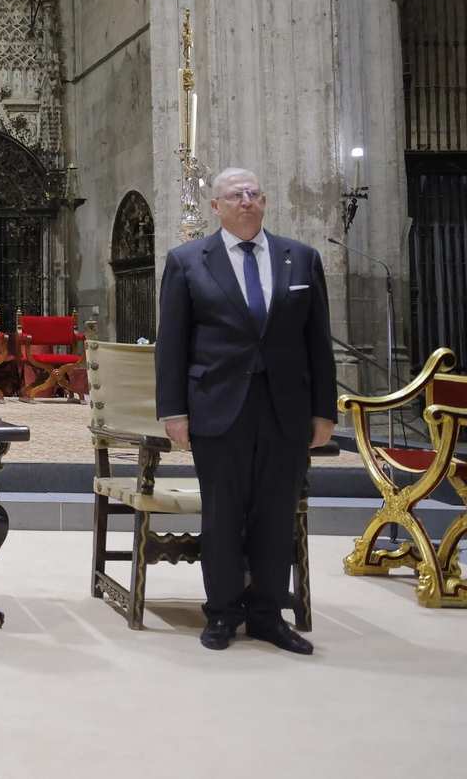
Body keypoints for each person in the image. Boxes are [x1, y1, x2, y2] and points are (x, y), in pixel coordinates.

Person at [156, 167, 335, 654]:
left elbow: (318, 342)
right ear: (216, 206)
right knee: (223, 514)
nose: (246, 201)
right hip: (217, 404)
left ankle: (267, 615)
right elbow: (171, 344)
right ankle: (221, 614)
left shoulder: (301, 259)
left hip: (286, 407)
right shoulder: (188, 260)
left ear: (265, 201)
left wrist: (325, 411)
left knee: (276, 515)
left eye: (254, 193)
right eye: (235, 195)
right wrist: (173, 410)